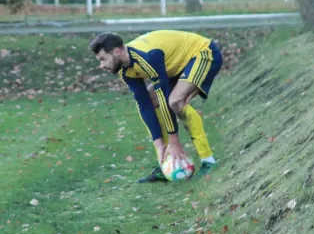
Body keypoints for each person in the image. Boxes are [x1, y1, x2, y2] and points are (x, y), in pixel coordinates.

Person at [89, 30, 223, 183]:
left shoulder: (148, 57)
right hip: (177, 66)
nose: (101, 65)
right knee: (153, 102)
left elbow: (164, 96)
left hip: (203, 53)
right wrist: (159, 145)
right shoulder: (125, 70)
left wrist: (175, 141)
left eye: (103, 59)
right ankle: (167, 161)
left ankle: (208, 160)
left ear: (118, 52)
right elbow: (144, 104)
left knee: (174, 101)